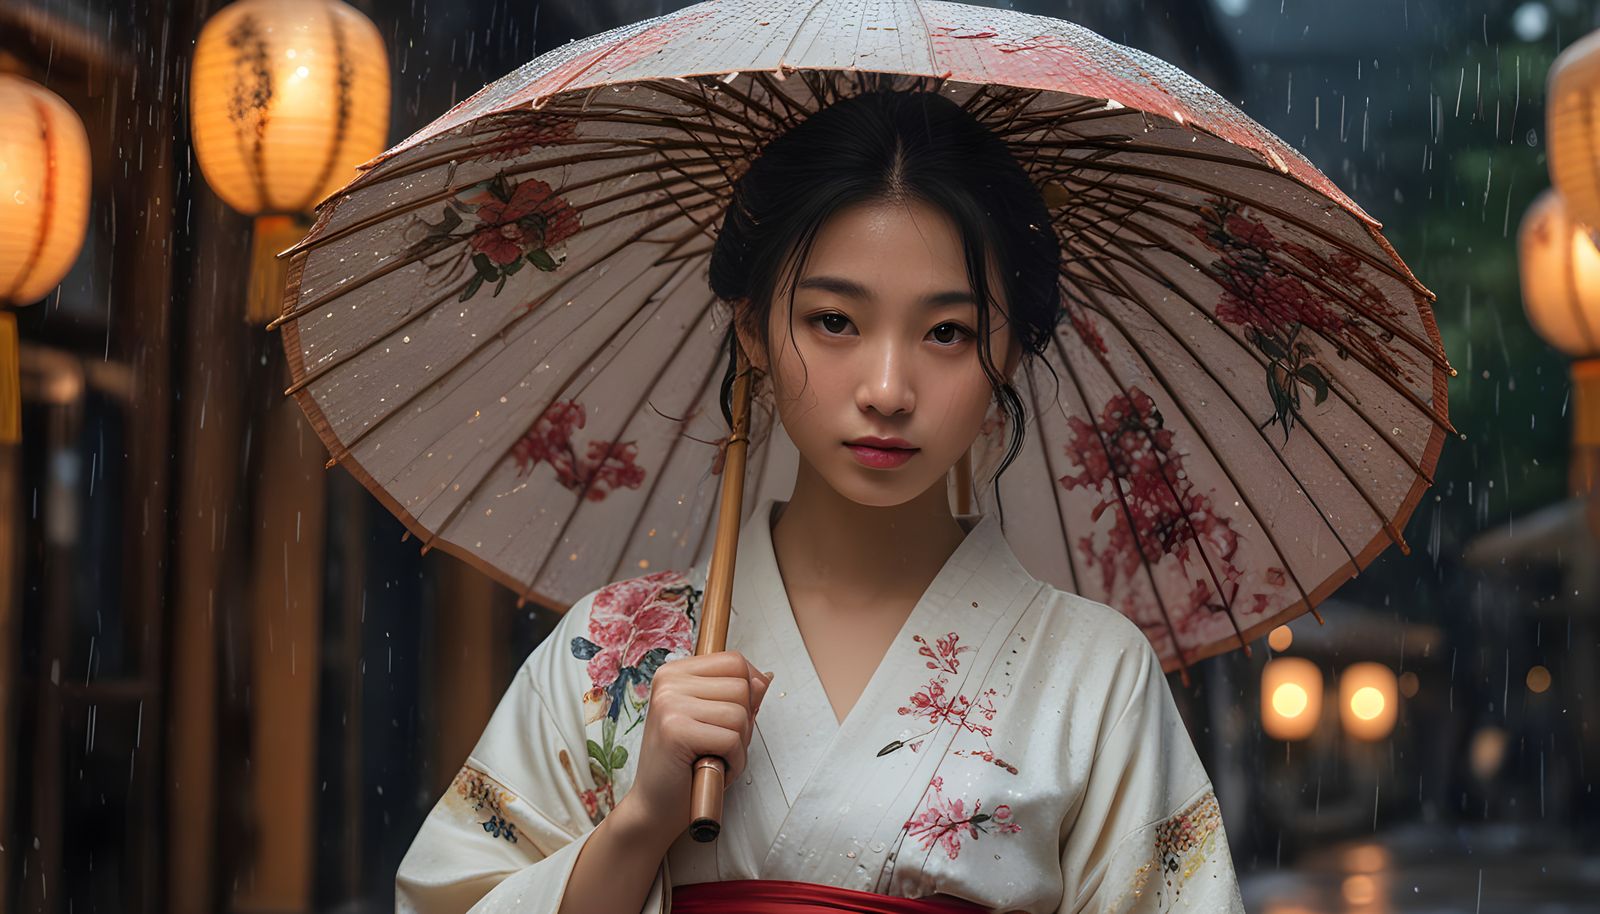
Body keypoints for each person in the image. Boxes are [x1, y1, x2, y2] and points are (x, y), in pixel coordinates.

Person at [394, 89, 1247, 914]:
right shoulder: (609, 651)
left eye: (947, 332)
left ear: (1011, 354)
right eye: (834, 321)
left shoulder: (1093, 676)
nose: (888, 390)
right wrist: (641, 824)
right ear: (752, 329)